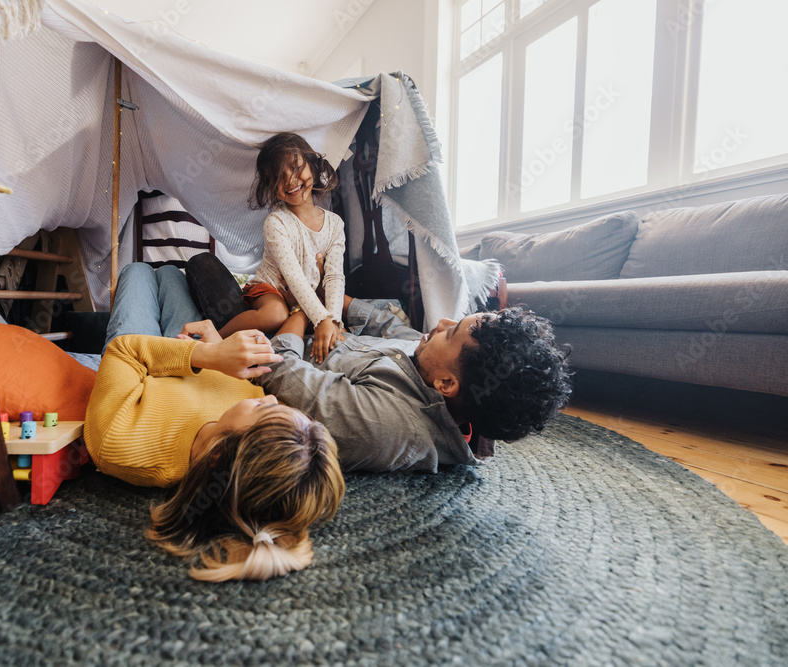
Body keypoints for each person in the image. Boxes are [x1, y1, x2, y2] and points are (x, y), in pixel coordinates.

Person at [184, 253, 573, 473]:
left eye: (452, 332)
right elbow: (389, 324)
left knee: (199, 264)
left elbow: (282, 369)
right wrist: (331, 300)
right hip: (307, 313)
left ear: (447, 385)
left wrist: (305, 312)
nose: (440, 324)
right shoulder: (432, 363)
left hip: (262, 340)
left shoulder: (388, 427)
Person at [85, 262, 345, 581]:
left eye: (264, 409)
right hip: (190, 352)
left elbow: (123, 353)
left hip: (142, 355)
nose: (271, 397)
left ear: (220, 453)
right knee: (169, 273)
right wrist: (215, 346)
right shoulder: (242, 421)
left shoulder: (120, 444)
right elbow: (228, 375)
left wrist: (206, 357)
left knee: (138, 270)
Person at [216, 132, 347, 364]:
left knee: (333, 310)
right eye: (279, 176)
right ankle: (217, 337)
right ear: (271, 187)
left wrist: (333, 321)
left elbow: (335, 276)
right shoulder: (276, 223)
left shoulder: (335, 224)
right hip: (273, 288)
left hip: (303, 295)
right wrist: (321, 319)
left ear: (313, 167)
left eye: (296, 168)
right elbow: (293, 277)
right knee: (276, 315)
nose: (290, 180)